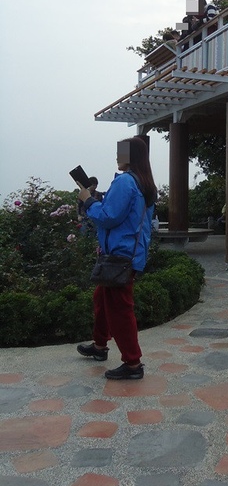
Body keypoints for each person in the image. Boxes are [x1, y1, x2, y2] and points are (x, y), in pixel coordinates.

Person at [76, 137, 157, 380]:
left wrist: (87, 200)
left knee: (119, 309)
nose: (117, 157)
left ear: (130, 156)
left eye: (121, 153)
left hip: (120, 256)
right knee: (102, 298)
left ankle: (133, 364)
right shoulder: (143, 183)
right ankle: (100, 346)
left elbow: (109, 216)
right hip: (127, 252)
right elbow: (129, 217)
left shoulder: (124, 181)